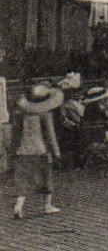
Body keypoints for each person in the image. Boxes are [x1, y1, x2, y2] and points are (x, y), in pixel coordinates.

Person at [11, 82, 64, 218]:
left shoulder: (19, 114)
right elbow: (50, 135)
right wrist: (56, 151)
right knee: (46, 177)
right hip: (41, 150)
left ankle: (19, 206)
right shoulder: (45, 115)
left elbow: (15, 134)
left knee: (24, 179)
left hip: (22, 151)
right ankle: (47, 205)